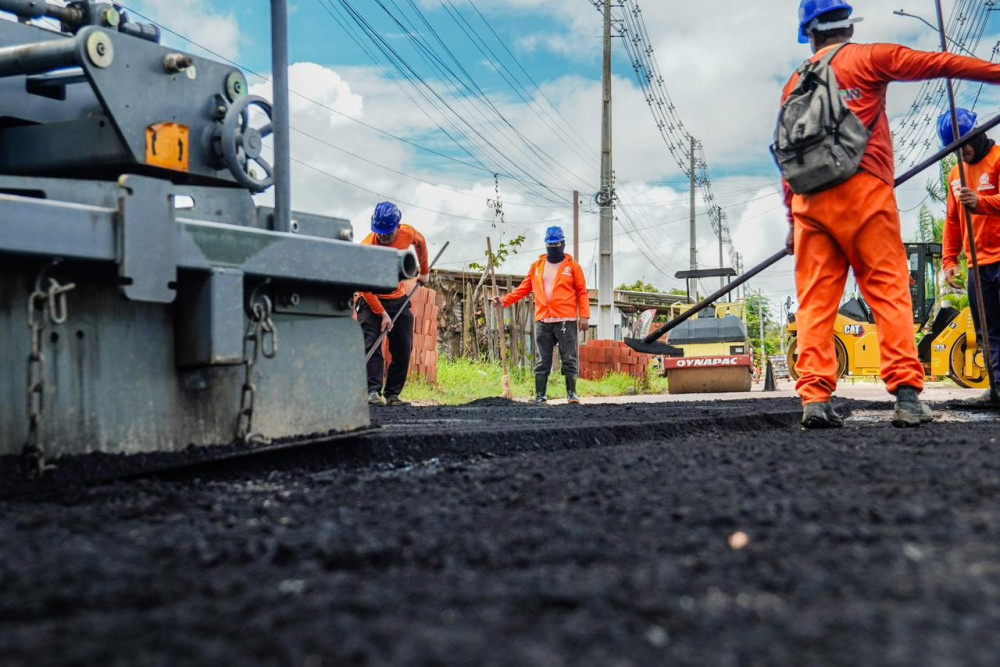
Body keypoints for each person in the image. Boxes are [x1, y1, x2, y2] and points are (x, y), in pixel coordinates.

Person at [780, 0, 1000, 428]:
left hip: (809, 204)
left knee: (816, 304)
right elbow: (939, 63)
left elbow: (787, 155)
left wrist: (793, 221)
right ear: (847, 27)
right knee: (889, 292)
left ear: (810, 35)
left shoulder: (794, 83)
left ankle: (815, 400)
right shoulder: (869, 57)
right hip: (864, 195)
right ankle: (906, 397)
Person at [491, 226, 589, 404]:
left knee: (569, 358)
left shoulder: (572, 267)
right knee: (542, 360)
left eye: (556, 244)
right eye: (550, 245)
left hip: (566, 320)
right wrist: (504, 300)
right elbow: (523, 289)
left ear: (563, 244)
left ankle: (572, 394)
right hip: (543, 320)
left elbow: (582, 292)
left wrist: (584, 316)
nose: (553, 248)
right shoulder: (536, 267)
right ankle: (540, 396)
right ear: (546, 245)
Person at [940, 109, 1000, 402]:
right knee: (988, 331)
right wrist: (949, 260)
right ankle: (998, 389)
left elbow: (981, 204)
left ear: (977, 135)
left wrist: (982, 203)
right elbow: (953, 221)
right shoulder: (956, 175)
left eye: (963, 145)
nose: (961, 152)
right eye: (954, 148)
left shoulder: (998, 159)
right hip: (977, 265)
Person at [356, 202, 430, 406]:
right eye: (379, 232)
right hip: (370, 297)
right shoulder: (367, 248)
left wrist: (424, 272)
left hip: (396, 297)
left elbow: (421, 243)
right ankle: (372, 392)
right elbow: (364, 286)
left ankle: (392, 394)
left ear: (397, 226)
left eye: (388, 232)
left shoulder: (407, 233)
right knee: (372, 344)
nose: (383, 237)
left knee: (403, 346)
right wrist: (382, 313)